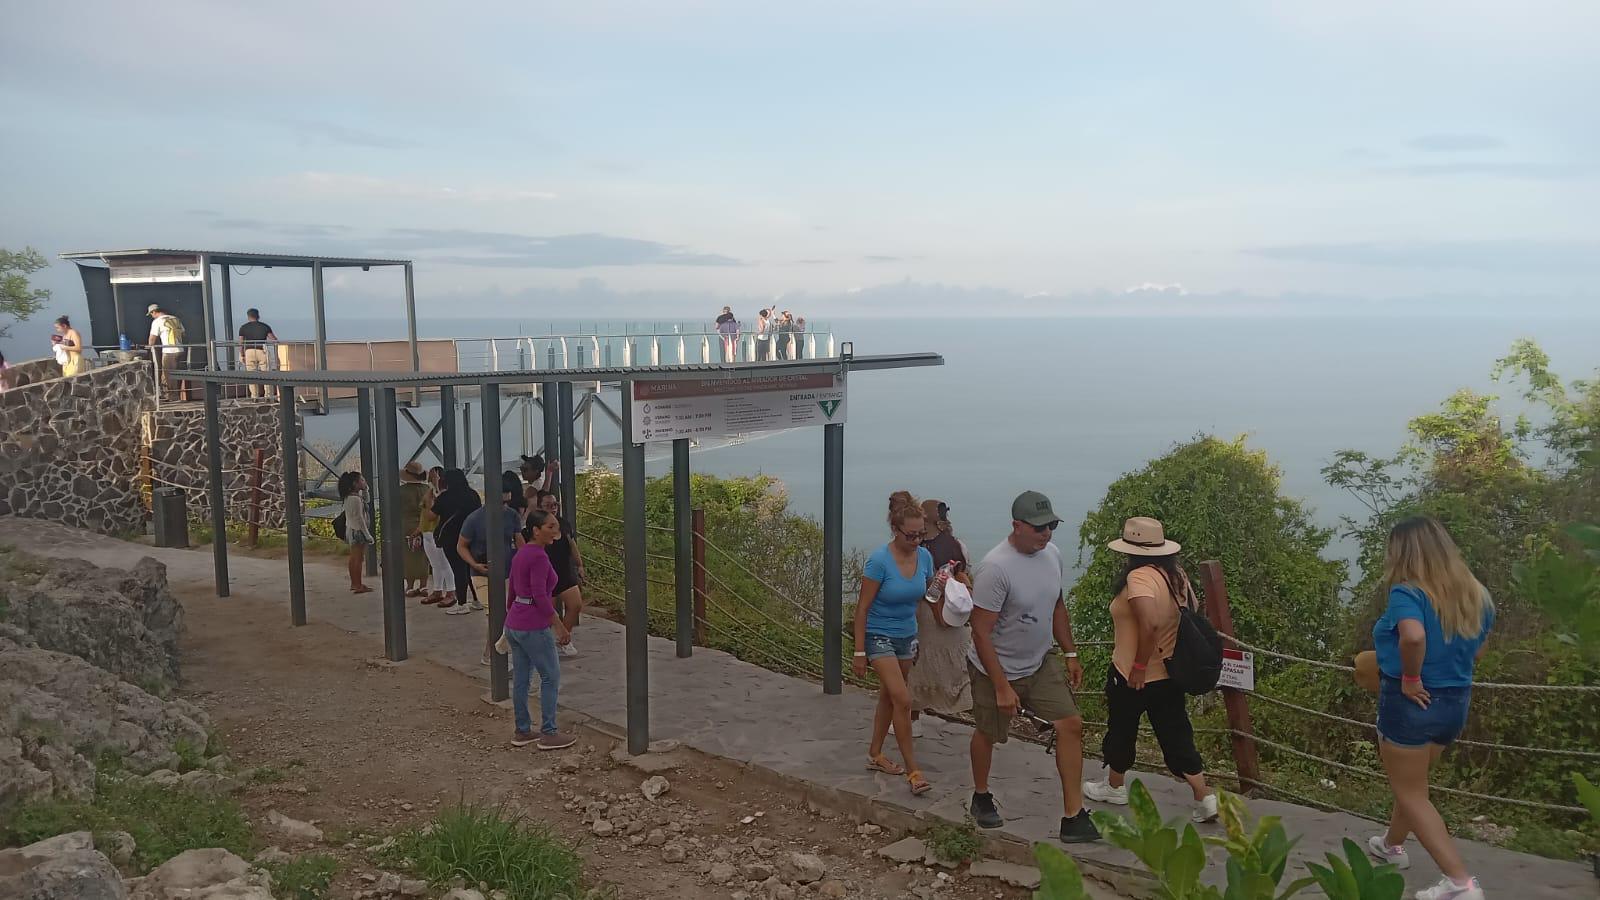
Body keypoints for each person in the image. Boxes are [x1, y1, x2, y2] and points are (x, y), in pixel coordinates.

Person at [1365, 517, 1493, 900]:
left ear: (1403, 552)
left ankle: (1460, 884)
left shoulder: (1408, 592)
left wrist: (1411, 678)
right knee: (1413, 786)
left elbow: (1414, 635)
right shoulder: (1475, 593)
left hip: (1411, 702)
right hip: (1455, 702)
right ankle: (1390, 846)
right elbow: (1478, 648)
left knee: (1412, 793)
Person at [967, 490, 1099, 843]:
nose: (1047, 534)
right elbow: (979, 632)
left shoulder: (1052, 555)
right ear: (1017, 526)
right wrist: (1000, 686)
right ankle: (980, 796)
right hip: (994, 666)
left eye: (1052, 525)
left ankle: (1074, 815)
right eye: (1039, 528)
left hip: (1040, 662)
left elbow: (1057, 606)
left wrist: (1070, 653)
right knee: (989, 732)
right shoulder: (995, 568)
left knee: (1070, 724)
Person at [1082, 517, 1219, 823]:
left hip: (1133, 674)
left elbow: (1149, 622)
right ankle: (1203, 795)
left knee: (1121, 729)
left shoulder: (1140, 578)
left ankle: (1115, 786)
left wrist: (1139, 667)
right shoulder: (1175, 574)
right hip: (1170, 673)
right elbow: (1190, 612)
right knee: (1175, 734)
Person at [853, 491, 944, 796]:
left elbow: (928, 594)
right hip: (878, 634)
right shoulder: (879, 561)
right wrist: (859, 651)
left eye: (921, 535)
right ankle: (914, 772)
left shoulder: (925, 557)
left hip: (908, 634)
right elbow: (862, 607)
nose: (917, 541)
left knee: (889, 697)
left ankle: (875, 754)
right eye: (911, 536)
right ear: (896, 530)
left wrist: (943, 587)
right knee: (903, 700)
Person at [506, 508, 578, 750]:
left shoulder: (521, 554)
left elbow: (513, 590)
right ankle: (549, 732)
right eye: (549, 527)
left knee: (521, 679)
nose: (555, 531)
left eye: (555, 526)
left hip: (516, 621)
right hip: (534, 624)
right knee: (550, 676)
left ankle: (522, 730)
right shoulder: (538, 556)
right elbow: (539, 593)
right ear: (536, 530)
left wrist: (509, 618)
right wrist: (558, 625)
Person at [908, 499, 973, 721]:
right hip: (945, 610)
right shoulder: (954, 544)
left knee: (919, 664)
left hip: (926, 610)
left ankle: (912, 717)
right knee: (941, 662)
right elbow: (963, 573)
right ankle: (920, 713)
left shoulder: (915, 546)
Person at [458, 473, 527, 665]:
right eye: (501, 502)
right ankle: (493, 653)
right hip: (481, 573)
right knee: (496, 614)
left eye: (506, 502)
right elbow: (461, 545)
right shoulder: (475, 519)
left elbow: (519, 541)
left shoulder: (512, 515)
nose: (504, 507)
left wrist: (527, 562)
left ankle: (495, 650)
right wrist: (474, 564)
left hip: (507, 571)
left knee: (507, 612)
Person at [531, 491, 587, 658]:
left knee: (575, 605)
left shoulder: (564, 524)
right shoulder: (535, 528)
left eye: (555, 505)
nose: (553, 508)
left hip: (564, 572)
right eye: (548, 505)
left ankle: (564, 639)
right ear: (540, 507)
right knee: (546, 614)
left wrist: (580, 565)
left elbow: (572, 544)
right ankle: (542, 644)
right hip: (546, 575)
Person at [431, 468, 481, 610]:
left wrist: (433, 493)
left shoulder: (445, 497)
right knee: (470, 568)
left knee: (458, 569)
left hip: (451, 537)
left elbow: (431, 516)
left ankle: (462, 604)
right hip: (471, 536)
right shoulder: (473, 495)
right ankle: (477, 600)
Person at [419, 466, 456, 606]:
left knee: (444, 563)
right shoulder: (429, 491)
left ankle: (451, 592)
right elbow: (423, 513)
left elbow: (433, 509)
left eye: (433, 474)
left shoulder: (443, 494)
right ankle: (437, 590)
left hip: (437, 531)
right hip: (427, 531)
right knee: (435, 564)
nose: (429, 476)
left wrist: (434, 485)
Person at [398, 461, 432, 597]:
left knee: (408, 555)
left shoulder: (400, 491)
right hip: (425, 526)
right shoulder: (427, 490)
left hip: (406, 526)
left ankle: (410, 586)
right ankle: (424, 586)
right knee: (425, 555)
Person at [338, 471, 373, 594]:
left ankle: (355, 583)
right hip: (358, 531)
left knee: (354, 558)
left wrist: (366, 490)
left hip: (351, 529)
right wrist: (367, 535)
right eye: (362, 480)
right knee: (358, 558)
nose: (364, 482)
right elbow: (360, 518)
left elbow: (366, 500)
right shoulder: (355, 499)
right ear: (355, 483)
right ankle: (358, 584)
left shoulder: (350, 497)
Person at [237, 308, 278, 397]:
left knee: (251, 375)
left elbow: (241, 342)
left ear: (248, 317)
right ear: (258, 316)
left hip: (249, 351)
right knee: (266, 374)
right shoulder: (265, 326)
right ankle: (268, 395)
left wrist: (242, 354)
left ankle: (254, 396)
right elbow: (274, 339)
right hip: (262, 350)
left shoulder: (243, 327)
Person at [147, 304, 184, 397]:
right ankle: (178, 395)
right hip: (180, 349)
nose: (152, 316)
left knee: (166, 374)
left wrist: (149, 348)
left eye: (151, 314)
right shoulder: (175, 318)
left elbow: (152, 339)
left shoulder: (157, 321)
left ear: (154, 312)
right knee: (177, 373)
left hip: (169, 351)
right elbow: (183, 333)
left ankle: (170, 396)